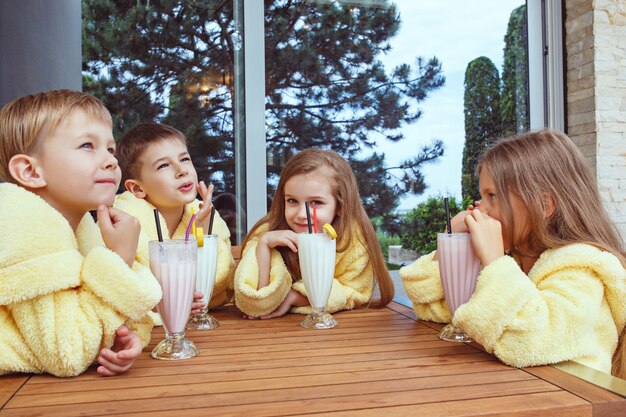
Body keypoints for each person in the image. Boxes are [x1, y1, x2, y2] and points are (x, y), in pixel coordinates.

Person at [400, 130, 626, 378]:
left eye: (492, 197)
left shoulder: (582, 270)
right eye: (482, 196)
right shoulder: (515, 265)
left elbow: (530, 341)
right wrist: (450, 243)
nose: (479, 209)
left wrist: (495, 260)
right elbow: (436, 309)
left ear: (544, 205)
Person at [0, 90, 162, 377]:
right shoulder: (23, 222)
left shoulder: (83, 227)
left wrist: (122, 339)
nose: (112, 161)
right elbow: (67, 353)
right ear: (30, 171)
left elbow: (95, 315)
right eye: (88, 145)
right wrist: (119, 259)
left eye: (110, 149)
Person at [234, 149, 394, 318]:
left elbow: (354, 291)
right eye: (292, 200)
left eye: (316, 202)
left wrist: (296, 297)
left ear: (340, 205)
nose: (302, 214)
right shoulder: (266, 233)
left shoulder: (354, 242)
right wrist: (264, 245)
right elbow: (255, 300)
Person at [114, 122, 234, 313]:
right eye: (163, 165)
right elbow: (127, 289)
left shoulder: (202, 212)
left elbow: (220, 281)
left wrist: (199, 233)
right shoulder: (125, 221)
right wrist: (169, 301)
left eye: (185, 159)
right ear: (137, 188)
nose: (182, 170)